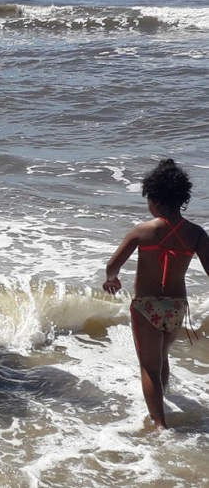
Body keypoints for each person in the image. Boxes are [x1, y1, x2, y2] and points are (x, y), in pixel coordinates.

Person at [103, 159, 209, 430]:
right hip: (176, 307)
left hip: (146, 306)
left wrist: (112, 280)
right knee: (162, 357)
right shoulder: (196, 234)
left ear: (155, 200)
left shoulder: (143, 231)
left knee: (149, 366)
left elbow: (112, 265)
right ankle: (163, 397)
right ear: (182, 199)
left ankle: (159, 426)